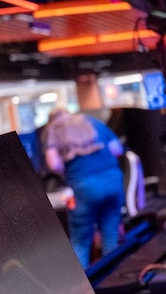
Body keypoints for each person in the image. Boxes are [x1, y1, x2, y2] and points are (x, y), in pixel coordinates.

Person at [44, 108, 125, 266]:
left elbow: (54, 164)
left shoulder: (54, 129)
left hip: (84, 186)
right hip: (113, 181)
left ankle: (86, 288)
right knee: (111, 235)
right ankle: (113, 280)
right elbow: (117, 149)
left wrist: (67, 173)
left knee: (81, 241)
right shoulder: (91, 121)